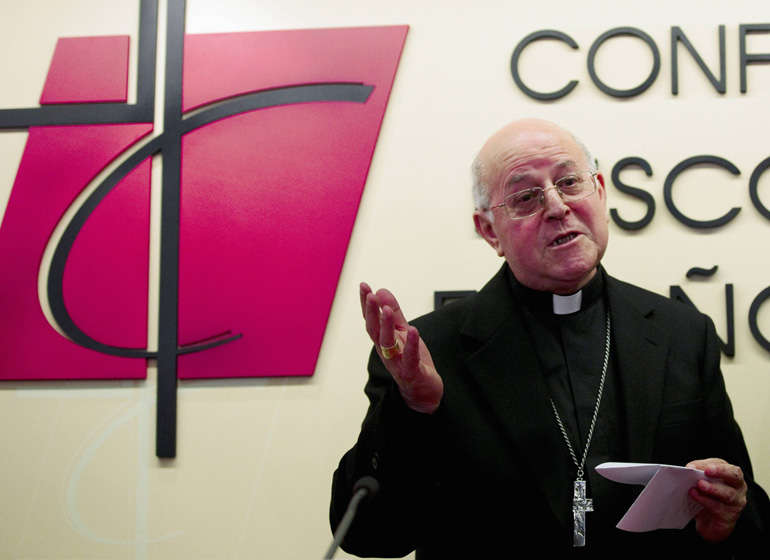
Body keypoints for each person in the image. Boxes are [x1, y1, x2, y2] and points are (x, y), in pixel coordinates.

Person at [330, 118, 769, 557]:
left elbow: (740, 512)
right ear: (488, 231)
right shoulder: (431, 351)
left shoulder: (684, 333)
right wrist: (413, 408)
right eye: (525, 197)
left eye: (570, 182)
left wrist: (728, 523)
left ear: (599, 190)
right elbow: (369, 534)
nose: (557, 206)